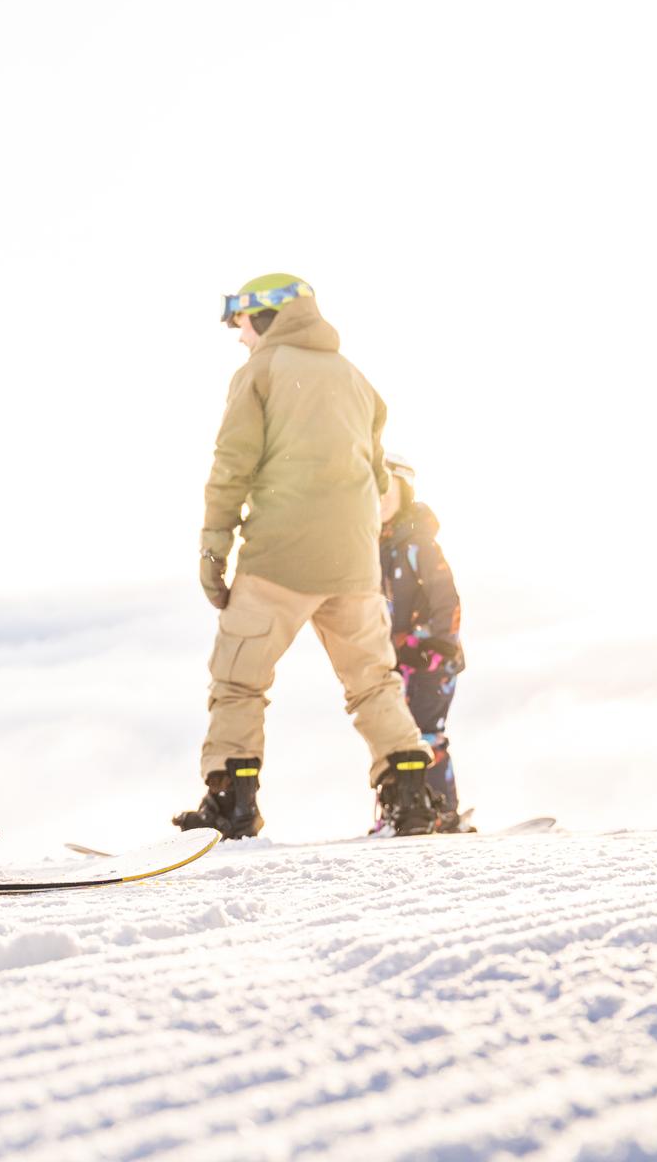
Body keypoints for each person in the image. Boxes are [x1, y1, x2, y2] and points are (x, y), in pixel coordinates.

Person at [175, 274, 438, 840]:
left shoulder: (261, 373)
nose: (237, 335)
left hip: (279, 561)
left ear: (268, 317)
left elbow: (232, 465)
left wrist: (213, 546)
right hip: (354, 566)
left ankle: (232, 804)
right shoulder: (357, 380)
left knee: (239, 681)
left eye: (240, 321)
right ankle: (410, 797)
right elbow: (376, 481)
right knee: (373, 681)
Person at [379, 450, 467, 826]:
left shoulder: (418, 546)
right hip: (397, 660)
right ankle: (400, 809)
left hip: (431, 659)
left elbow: (445, 596)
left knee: (426, 735)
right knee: (397, 739)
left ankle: (443, 810)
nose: (380, 501)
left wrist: (437, 643)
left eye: (388, 491)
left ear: (405, 493)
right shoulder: (375, 548)